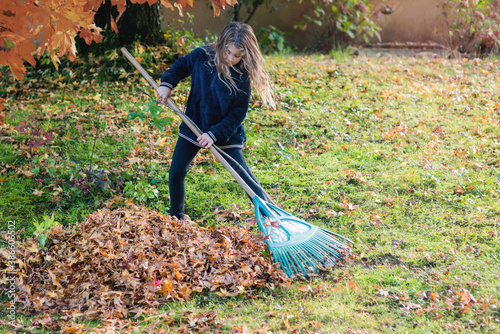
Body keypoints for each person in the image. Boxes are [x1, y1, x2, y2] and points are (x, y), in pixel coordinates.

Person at [157, 22, 275, 220]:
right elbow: (180, 66)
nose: (231, 59)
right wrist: (167, 84)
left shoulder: (241, 75)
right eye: (228, 52)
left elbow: (238, 113)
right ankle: (176, 218)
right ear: (221, 44)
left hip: (224, 131)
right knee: (176, 171)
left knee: (244, 177)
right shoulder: (202, 56)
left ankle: (272, 216)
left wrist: (214, 134)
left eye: (237, 56)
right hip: (195, 123)